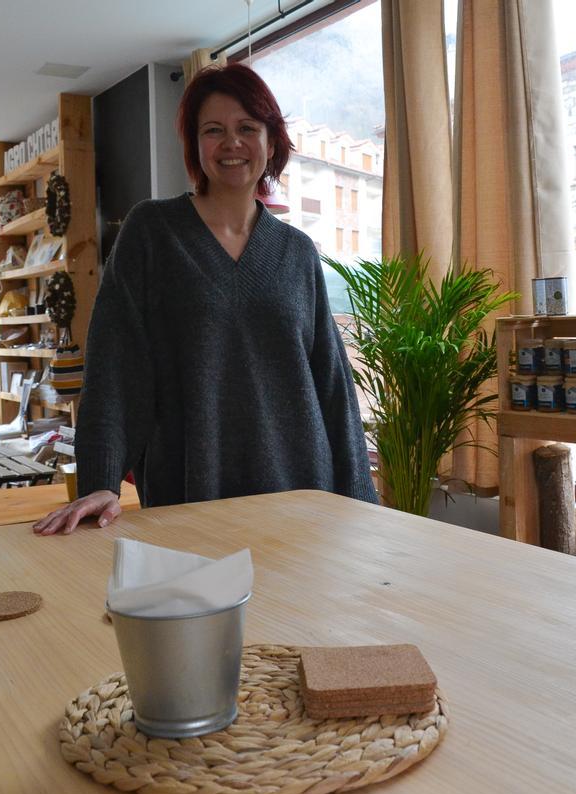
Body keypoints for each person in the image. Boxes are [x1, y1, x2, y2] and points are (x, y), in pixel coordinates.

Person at [34, 64, 377, 535]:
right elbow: (116, 369)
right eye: (213, 130)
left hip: (301, 495)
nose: (231, 143)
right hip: (191, 492)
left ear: (271, 142)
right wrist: (101, 481)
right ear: (195, 146)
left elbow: (332, 386)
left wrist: (360, 500)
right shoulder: (152, 233)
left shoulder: (297, 251)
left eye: (247, 128)